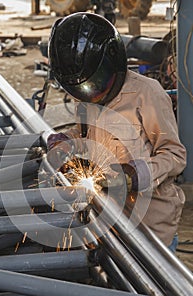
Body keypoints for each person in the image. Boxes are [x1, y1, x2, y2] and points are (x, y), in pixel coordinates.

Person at [47, 12, 186, 252]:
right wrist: (66, 142)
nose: (93, 94)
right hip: (108, 218)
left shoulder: (147, 94)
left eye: (96, 84)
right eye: (82, 89)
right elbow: (85, 135)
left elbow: (175, 155)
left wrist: (135, 174)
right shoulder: (86, 96)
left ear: (113, 63)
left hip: (151, 227)